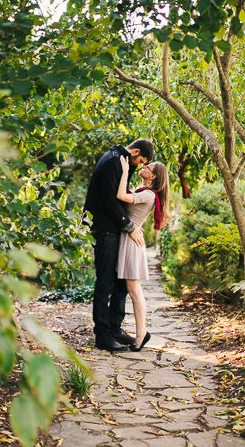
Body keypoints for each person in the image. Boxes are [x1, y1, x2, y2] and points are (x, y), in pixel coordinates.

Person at [84, 139, 155, 352]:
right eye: (140, 160)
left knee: (119, 284)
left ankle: (115, 329)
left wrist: (131, 225)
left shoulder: (121, 160)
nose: (138, 165)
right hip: (106, 230)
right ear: (135, 151)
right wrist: (129, 225)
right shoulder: (114, 162)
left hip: (114, 231)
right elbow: (109, 200)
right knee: (105, 284)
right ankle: (102, 335)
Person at [116, 156, 170, 351]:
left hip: (131, 244)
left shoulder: (148, 195)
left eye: (148, 166)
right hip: (128, 239)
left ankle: (141, 335)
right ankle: (140, 333)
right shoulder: (143, 191)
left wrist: (123, 171)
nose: (144, 166)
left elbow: (122, 196)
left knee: (134, 291)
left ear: (153, 176)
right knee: (131, 290)